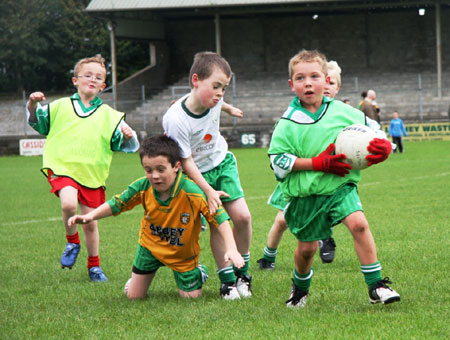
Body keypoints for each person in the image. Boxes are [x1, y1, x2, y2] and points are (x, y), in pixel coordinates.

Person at [268, 49, 400, 308]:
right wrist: (318, 163)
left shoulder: (344, 112)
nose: (308, 83)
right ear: (291, 84)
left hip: (340, 186)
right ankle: (300, 287)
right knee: (307, 250)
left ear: (327, 80)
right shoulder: (287, 122)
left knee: (359, 224)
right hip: (307, 194)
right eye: (300, 78)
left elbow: (374, 132)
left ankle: (376, 286)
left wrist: (383, 146)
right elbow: (278, 164)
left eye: (315, 76)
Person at [68, 135, 244, 299]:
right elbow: (117, 203)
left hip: (181, 255)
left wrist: (231, 248)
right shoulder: (143, 186)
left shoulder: (192, 192)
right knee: (133, 297)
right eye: (148, 170)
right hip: (149, 248)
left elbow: (219, 218)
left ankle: (199, 272)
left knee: (191, 298)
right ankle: (138, 280)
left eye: (161, 169)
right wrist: (91, 215)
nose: (155, 176)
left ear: (176, 167)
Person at [27, 54, 139, 282]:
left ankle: (94, 266)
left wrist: (127, 136)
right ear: (75, 80)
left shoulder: (109, 115)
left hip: (92, 175)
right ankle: (72, 242)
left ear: (103, 85)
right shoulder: (59, 106)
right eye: (87, 75)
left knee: (90, 222)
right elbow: (36, 121)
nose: (92, 79)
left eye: (98, 77)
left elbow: (128, 144)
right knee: (68, 203)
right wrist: (32, 103)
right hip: (63, 168)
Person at [163, 52, 252, 300]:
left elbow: (216, 101)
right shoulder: (176, 119)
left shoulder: (213, 101)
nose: (220, 93)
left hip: (222, 163)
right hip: (196, 174)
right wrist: (208, 191)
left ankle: (243, 273)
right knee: (216, 222)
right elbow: (186, 160)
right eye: (215, 86)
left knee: (243, 217)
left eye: (223, 88)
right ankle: (227, 282)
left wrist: (229, 107)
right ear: (195, 80)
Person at [257, 60, 343, 270]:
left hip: (326, 176)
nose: (326, 88)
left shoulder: (340, 114)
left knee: (340, 209)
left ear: (335, 86)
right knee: (281, 221)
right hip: (298, 178)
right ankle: (268, 256)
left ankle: (324, 235)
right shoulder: (298, 115)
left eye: (330, 84)